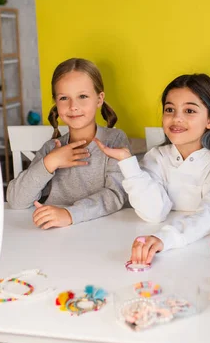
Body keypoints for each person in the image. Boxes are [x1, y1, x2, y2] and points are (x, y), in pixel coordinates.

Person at [95, 73, 210, 264]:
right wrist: (128, 163)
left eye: (189, 111)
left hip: (208, 256)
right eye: (169, 109)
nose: (176, 118)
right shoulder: (156, 158)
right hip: (162, 253)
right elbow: (154, 213)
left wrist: (166, 238)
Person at [7, 58, 130, 229]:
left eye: (83, 96)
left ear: (99, 99)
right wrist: (50, 162)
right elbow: (16, 200)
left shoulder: (115, 140)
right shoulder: (52, 149)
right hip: (56, 237)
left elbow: (116, 195)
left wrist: (69, 214)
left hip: (103, 232)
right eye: (64, 98)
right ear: (56, 103)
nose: (73, 106)